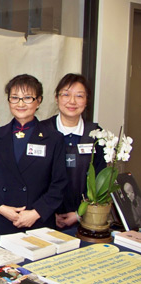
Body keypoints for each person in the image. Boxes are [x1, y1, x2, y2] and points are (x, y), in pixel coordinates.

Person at [0, 74, 67, 245]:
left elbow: (59, 183)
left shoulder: (53, 139)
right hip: (3, 221)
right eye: (15, 98)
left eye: (27, 98)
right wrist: (1, 208)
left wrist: (36, 213)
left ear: (38, 101)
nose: (20, 104)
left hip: (38, 223)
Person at [42, 73, 106, 229]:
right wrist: (47, 212)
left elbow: (101, 182)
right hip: (43, 219)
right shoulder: (42, 130)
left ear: (86, 101)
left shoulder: (96, 134)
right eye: (66, 94)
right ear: (56, 98)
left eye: (79, 96)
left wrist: (79, 214)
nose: (72, 101)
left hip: (85, 220)